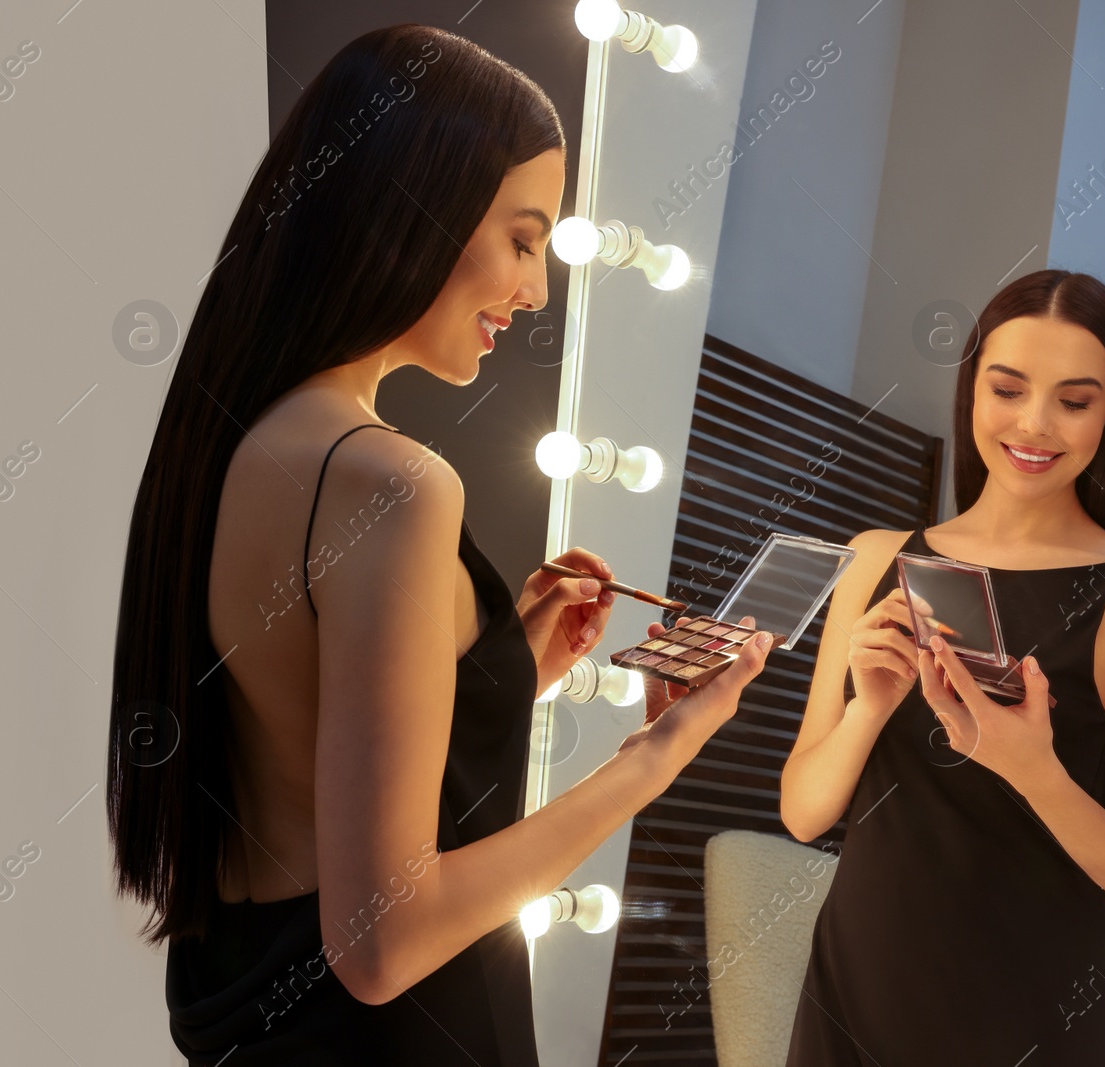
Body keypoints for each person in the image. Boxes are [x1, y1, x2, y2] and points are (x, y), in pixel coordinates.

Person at [104, 25, 768, 1065]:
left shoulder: (234, 443)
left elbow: (300, 741)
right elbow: (383, 940)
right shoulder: (393, 482)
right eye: (522, 237)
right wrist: (656, 753)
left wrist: (503, 669)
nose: (538, 289)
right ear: (410, 208)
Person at [780, 270, 1105, 1065]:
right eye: (1007, 389)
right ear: (972, 390)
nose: (1035, 424)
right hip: (861, 989)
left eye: (1074, 401)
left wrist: (1030, 768)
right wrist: (870, 707)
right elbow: (804, 813)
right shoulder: (876, 558)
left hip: (1041, 1008)